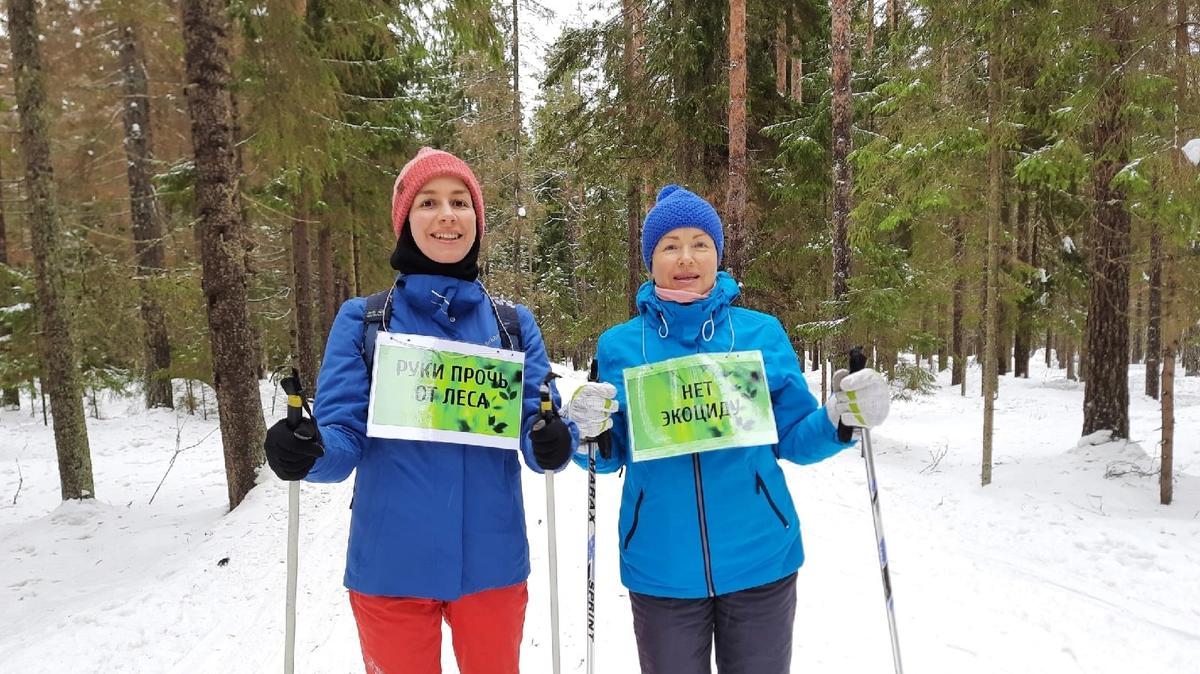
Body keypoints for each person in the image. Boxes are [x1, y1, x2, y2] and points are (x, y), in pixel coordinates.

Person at [262, 147, 583, 674]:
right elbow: (343, 439)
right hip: (391, 564)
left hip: (492, 565)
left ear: (476, 221)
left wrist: (555, 438)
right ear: (406, 221)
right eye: (428, 202)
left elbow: (537, 429)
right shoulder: (365, 321)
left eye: (460, 202)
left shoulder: (513, 325)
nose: (447, 215)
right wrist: (309, 449)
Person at [566, 184, 892, 674]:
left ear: (717, 254)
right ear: (650, 259)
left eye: (700, 242)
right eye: (669, 245)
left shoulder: (760, 333)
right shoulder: (620, 346)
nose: (686, 257)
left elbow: (795, 438)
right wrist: (585, 429)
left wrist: (837, 418)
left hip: (761, 557)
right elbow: (608, 454)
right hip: (661, 566)